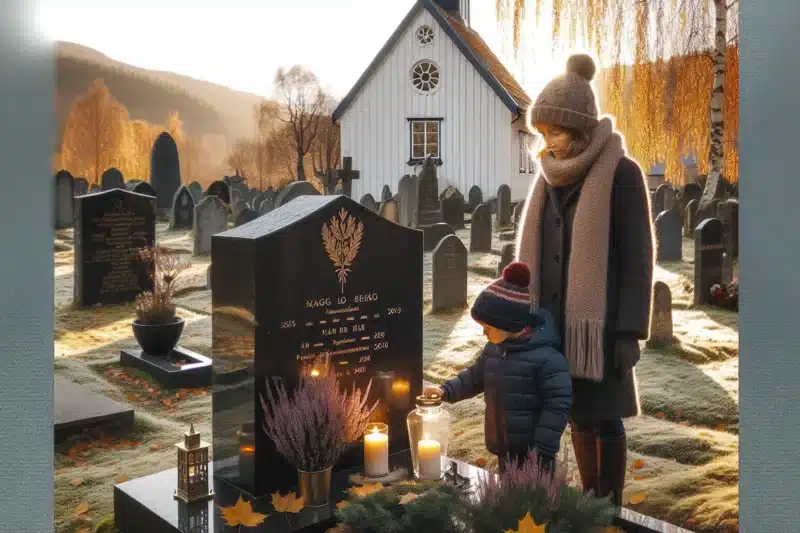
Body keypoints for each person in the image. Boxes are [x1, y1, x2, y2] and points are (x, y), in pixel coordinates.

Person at [514, 53, 654, 506]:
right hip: (553, 326)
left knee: (605, 419)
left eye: (555, 131)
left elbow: (638, 259)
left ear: (580, 128)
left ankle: (606, 507)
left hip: (602, 328)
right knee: (574, 415)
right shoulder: (548, 180)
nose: (548, 142)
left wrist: (630, 331)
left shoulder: (622, 175)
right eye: (543, 132)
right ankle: (586, 506)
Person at [424, 262, 572, 472]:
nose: (485, 333)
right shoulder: (494, 350)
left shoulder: (548, 359)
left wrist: (543, 449)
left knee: (535, 500)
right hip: (503, 445)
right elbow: (474, 377)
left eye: (488, 327)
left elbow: (557, 407)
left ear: (510, 324)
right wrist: (444, 391)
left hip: (535, 454)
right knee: (507, 500)